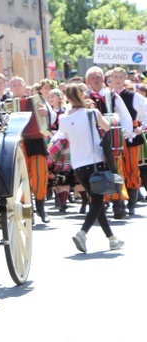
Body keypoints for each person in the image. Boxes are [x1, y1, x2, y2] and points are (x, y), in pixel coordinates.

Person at [58, 84, 124, 253]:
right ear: (81, 96)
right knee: (97, 201)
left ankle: (112, 239)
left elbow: (64, 136)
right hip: (96, 162)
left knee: (96, 201)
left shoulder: (63, 119)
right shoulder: (92, 113)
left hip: (79, 165)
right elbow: (108, 127)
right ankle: (82, 233)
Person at [85, 66, 134, 219]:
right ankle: (99, 205)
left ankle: (118, 204)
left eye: (99, 76)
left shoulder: (111, 94)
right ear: (87, 81)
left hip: (111, 138)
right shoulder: (83, 97)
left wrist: (126, 132)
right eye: (93, 77)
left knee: (115, 170)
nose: (97, 79)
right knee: (94, 170)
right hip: (91, 140)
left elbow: (124, 114)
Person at [9, 75, 56, 223]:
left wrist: (46, 113)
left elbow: (53, 116)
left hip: (36, 140)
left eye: (19, 84)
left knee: (40, 174)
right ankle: (26, 209)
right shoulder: (6, 103)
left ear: (25, 86)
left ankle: (41, 207)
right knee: (21, 177)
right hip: (18, 141)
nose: (17, 87)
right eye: (14, 85)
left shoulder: (37, 100)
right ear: (10, 88)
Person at [107, 67, 147, 215]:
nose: (117, 80)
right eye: (115, 77)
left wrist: (141, 128)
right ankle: (119, 202)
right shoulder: (107, 96)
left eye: (120, 77)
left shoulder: (133, 96)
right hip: (113, 138)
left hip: (131, 137)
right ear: (110, 79)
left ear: (124, 79)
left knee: (132, 169)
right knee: (117, 170)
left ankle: (131, 204)